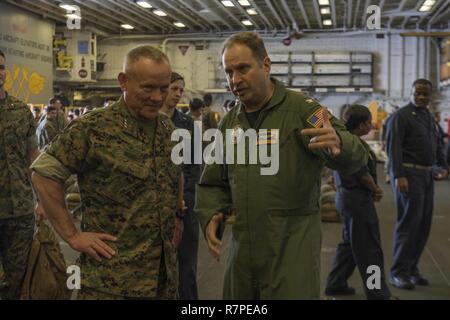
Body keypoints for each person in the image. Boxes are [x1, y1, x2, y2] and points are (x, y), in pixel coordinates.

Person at [194, 32, 369, 299]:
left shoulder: (304, 110)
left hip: (291, 250)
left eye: (243, 69)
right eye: (228, 72)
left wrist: (341, 143)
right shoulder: (230, 123)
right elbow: (213, 181)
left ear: (266, 65)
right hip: (242, 254)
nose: (234, 80)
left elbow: (356, 152)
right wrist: (211, 213)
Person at [30, 45, 184, 300]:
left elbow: (174, 174)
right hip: (111, 282)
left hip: (162, 278)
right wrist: (72, 235)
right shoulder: (92, 128)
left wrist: (178, 213)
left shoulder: (167, 128)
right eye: (147, 88)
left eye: (163, 88)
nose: (158, 97)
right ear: (123, 81)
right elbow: (43, 174)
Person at [386, 79, 448, 290]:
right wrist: (398, 175)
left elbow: (437, 143)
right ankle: (398, 272)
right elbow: (393, 147)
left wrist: (441, 165)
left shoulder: (428, 117)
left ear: (431, 96)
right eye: (417, 93)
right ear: (410, 92)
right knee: (409, 224)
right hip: (408, 174)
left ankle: (411, 269)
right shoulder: (401, 116)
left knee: (423, 226)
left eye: (425, 94)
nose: (421, 97)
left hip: (426, 176)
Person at [325, 105, 391, 300]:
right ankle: (377, 292)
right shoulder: (355, 145)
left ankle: (335, 283)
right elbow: (362, 174)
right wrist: (376, 189)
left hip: (345, 198)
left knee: (349, 245)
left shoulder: (343, 140)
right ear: (362, 125)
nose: (370, 125)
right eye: (369, 122)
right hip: (357, 201)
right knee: (370, 248)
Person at [0, 49, 41, 299]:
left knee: (17, 281)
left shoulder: (20, 111)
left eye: (1, 67)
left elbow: (33, 157)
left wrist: (42, 200)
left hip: (20, 211)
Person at [160, 72, 202, 300]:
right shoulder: (146, 121)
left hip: (185, 207)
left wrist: (184, 199)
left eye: (180, 90)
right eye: (174, 88)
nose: (178, 94)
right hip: (153, 208)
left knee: (186, 269)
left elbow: (195, 168)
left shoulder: (188, 125)